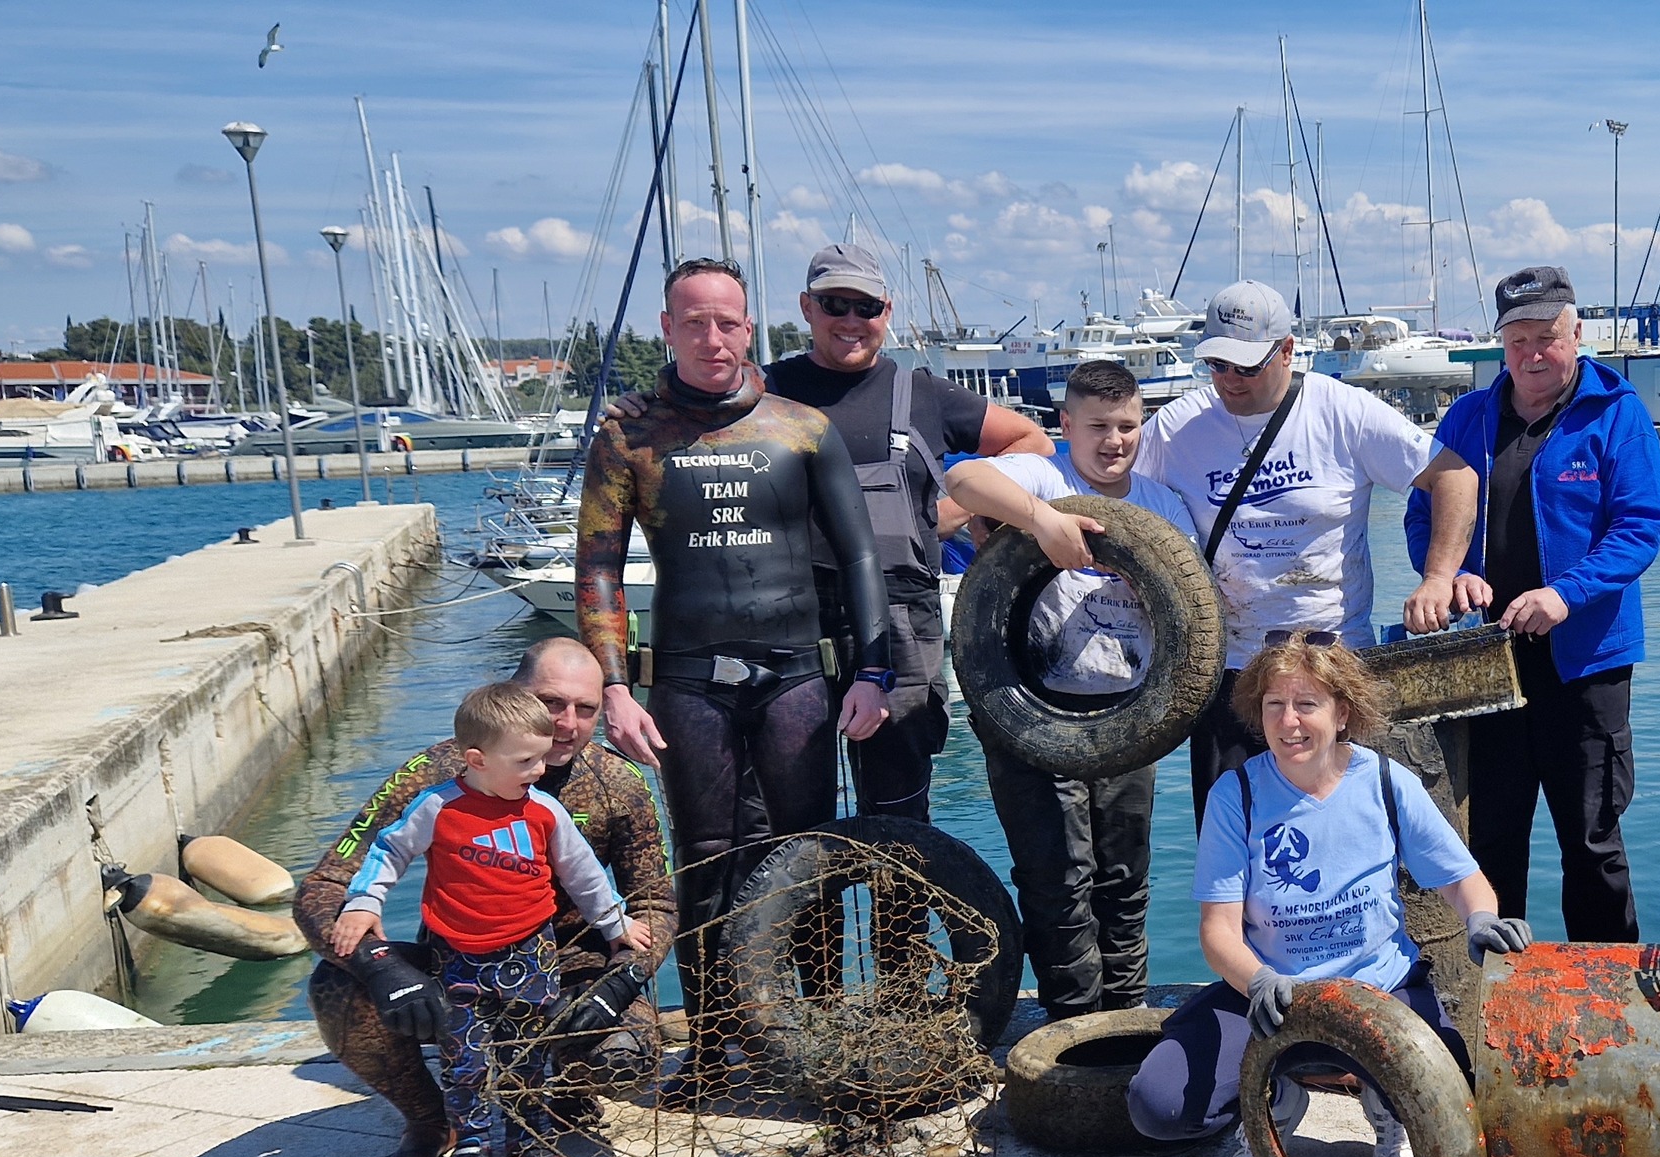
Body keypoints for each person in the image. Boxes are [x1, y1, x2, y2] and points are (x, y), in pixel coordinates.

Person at [607, 243, 1070, 821]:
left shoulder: (923, 394)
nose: (851, 321)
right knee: (780, 815)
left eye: (866, 307)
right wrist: (640, 404)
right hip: (789, 626)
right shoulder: (762, 392)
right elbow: (692, 391)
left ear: (887, 312)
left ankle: (897, 915)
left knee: (897, 805)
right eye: (834, 305)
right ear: (806, 307)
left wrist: (951, 515)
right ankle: (795, 911)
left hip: (899, 620)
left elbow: (1033, 443)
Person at [573, 256, 896, 1078]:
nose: (711, 338)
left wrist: (874, 671)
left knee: (808, 856)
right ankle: (716, 1046)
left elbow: (861, 556)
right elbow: (598, 566)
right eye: (694, 322)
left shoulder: (798, 427)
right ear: (668, 328)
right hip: (686, 681)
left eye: (727, 322)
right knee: (707, 859)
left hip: (794, 676)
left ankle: (816, 1031)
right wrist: (615, 683)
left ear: (750, 328)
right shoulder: (628, 433)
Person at [1123, 638, 1531, 1157]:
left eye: (1307, 703)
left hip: (1379, 988)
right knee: (1159, 1106)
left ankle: (1387, 1104)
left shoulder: (1387, 782)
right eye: (1274, 705)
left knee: (1458, 1101)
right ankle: (1273, 1094)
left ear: (1342, 713)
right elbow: (1218, 932)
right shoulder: (1235, 796)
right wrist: (1257, 979)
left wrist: (1481, 918)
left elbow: (1462, 881)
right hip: (1271, 995)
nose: (1289, 721)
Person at [296, 637, 677, 1157]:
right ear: (513, 696)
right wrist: (384, 969)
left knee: (629, 1052)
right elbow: (324, 886)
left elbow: (654, 906)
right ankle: (432, 1124)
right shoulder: (431, 777)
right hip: (456, 963)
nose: (567, 724)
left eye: (586, 708)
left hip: (565, 968)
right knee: (336, 987)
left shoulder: (619, 783)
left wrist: (621, 983)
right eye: (550, 703)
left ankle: (557, 1107)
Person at [1131, 279, 1484, 820]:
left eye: (1246, 366)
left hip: (1335, 659)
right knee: (1233, 837)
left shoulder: (1343, 411)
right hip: (1228, 667)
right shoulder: (1176, 428)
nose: (1229, 380)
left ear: (1288, 351)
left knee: (1339, 834)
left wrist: (1439, 577)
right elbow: (1115, 502)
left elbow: (1455, 477)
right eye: (1218, 364)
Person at [1405, 266, 1660, 943]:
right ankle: (1495, 991)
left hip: (1586, 664)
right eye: (1517, 339)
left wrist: (1564, 595)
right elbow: (1419, 515)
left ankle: (1607, 986)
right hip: (1487, 664)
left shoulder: (1618, 412)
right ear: (1501, 345)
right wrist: (1453, 573)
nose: (1532, 354)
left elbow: (1638, 529)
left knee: (1591, 837)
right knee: (1490, 835)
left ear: (1576, 334)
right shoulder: (1467, 417)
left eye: (1546, 337)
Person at [954, 360, 1199, 1018]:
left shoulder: (1162, 503)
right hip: (1029, 714)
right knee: (1057, 879)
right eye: (1097, 426)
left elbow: (1192, 608)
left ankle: (1122, 1019)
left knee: (1122, 880)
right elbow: (961, 479)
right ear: (1066, 425)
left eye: (1126, 426)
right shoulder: (1043, 477)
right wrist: (1041, 519)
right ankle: (1070, 1026)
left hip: (1128, 715)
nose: (1113, 440)